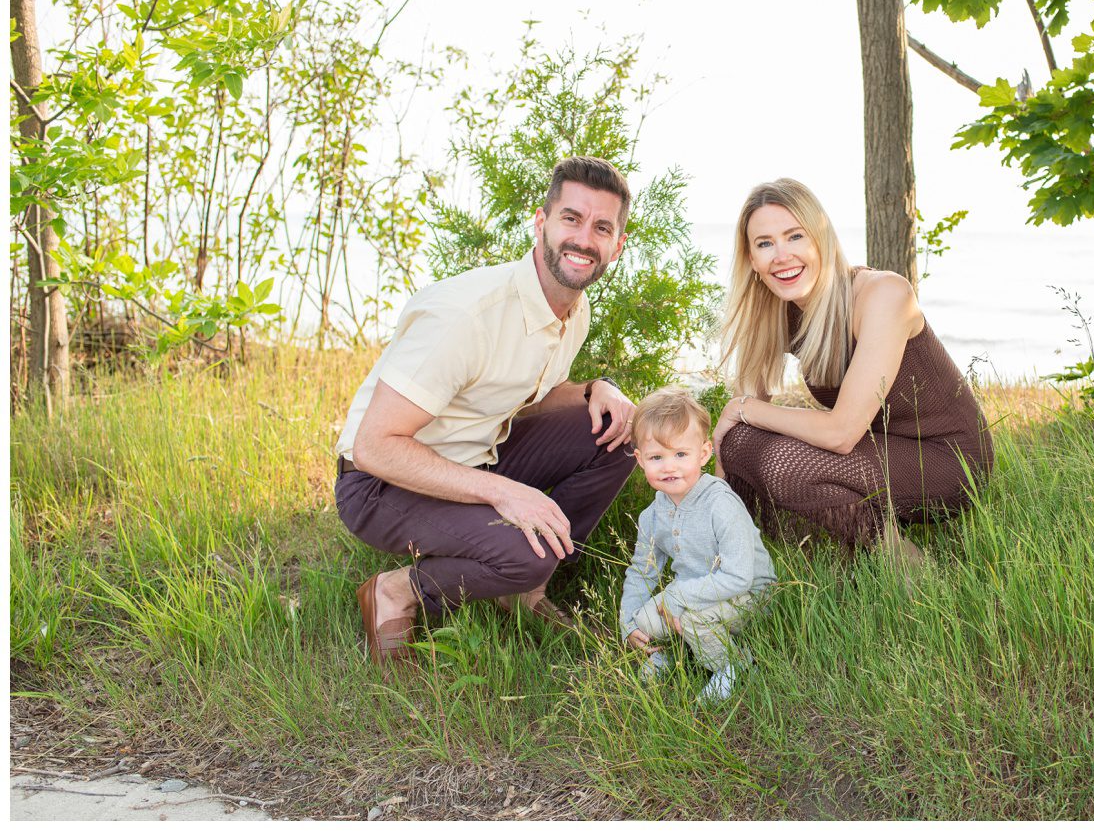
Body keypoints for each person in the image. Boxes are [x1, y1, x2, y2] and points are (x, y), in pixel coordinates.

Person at [335, 156, 640, 665]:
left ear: (617, 245)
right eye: (571, 218)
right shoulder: (466, 315)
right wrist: (504, 494)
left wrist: (597, 388)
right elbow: (374, 447)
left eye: (601, 227)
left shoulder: (572, 307)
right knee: (527, 551)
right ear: (541, 223)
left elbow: (531, 397)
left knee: (618, 432)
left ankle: (520, 588)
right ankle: (396, 591)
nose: (584, 239)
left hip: (477, 457)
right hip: (380, 484)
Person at [711, 178, 993, 553]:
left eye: (795, 236)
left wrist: (742, 409)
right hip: (877, 450)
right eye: (765, 244)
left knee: (784, 460)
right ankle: (753, 561)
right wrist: (726, 458)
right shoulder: (775, 309)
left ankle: (902, 563)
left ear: (821, 239)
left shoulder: (884, 294)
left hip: (947, 460)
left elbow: (840, 433)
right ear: (751, 259)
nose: (781, 255)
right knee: (740, 441)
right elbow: (738, 429)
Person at [617, 387, 775, 704]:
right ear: (640, 460)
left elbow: (739, 577)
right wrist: (627, 623)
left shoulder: (721, 503)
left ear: (703, 454)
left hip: (749, 593)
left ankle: (733, 664)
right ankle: (672, 653)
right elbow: (642, 571)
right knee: (644, 621)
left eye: (680, 454)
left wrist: (676, 597)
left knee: (693, 619)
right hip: (694, 592)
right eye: (657, 457)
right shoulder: (652, 515)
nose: (669, 466)